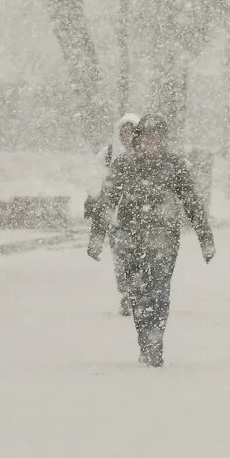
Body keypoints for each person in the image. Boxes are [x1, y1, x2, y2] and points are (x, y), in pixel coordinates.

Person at [87, 115, 214, 367]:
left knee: (160, 291)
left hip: (164, 240)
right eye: (147, 134)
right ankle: (145, 339)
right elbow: (107, 201)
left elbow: (192, 203)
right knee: (138, 293)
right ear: (139, 137)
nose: (152, 140)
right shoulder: (125, 163)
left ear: (164, 138)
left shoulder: (173, 165)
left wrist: (205, 239)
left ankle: (156, 343)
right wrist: (96, 238)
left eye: (158, 135)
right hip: (131, 239)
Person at [87, 112, 142, 315]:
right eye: (124, 132)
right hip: (116, 217)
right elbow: (95, 176)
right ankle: (127, 293)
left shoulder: (148, 155)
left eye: (132, 132)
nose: (127, 137)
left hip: (142, 218)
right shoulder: (108, 154)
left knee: (141, 256)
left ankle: (138, 292)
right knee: (121, 257)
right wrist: (95, 197)